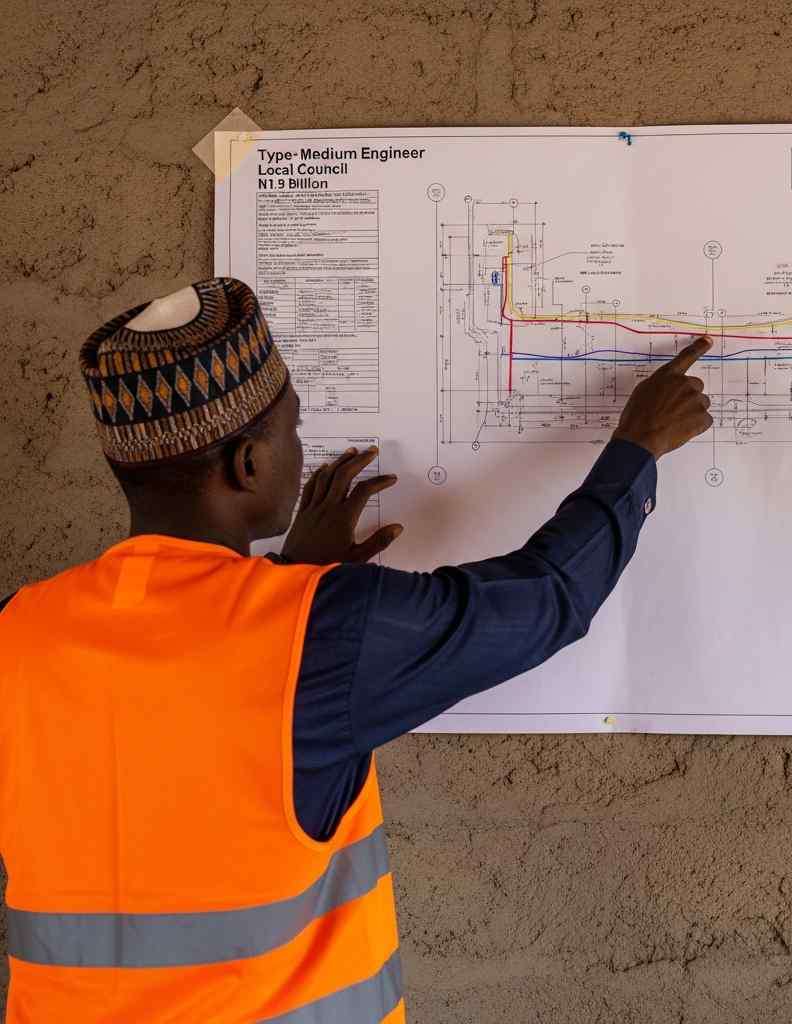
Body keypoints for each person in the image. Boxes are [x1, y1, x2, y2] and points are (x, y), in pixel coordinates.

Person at [0, 277, 712, 1022]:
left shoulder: (18, 628)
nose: (302, 448)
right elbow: (547, 600)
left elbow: (166, 752)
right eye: (292, 430)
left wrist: (291, 580)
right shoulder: (316, 634)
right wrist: (638, 447)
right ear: (249, 465)